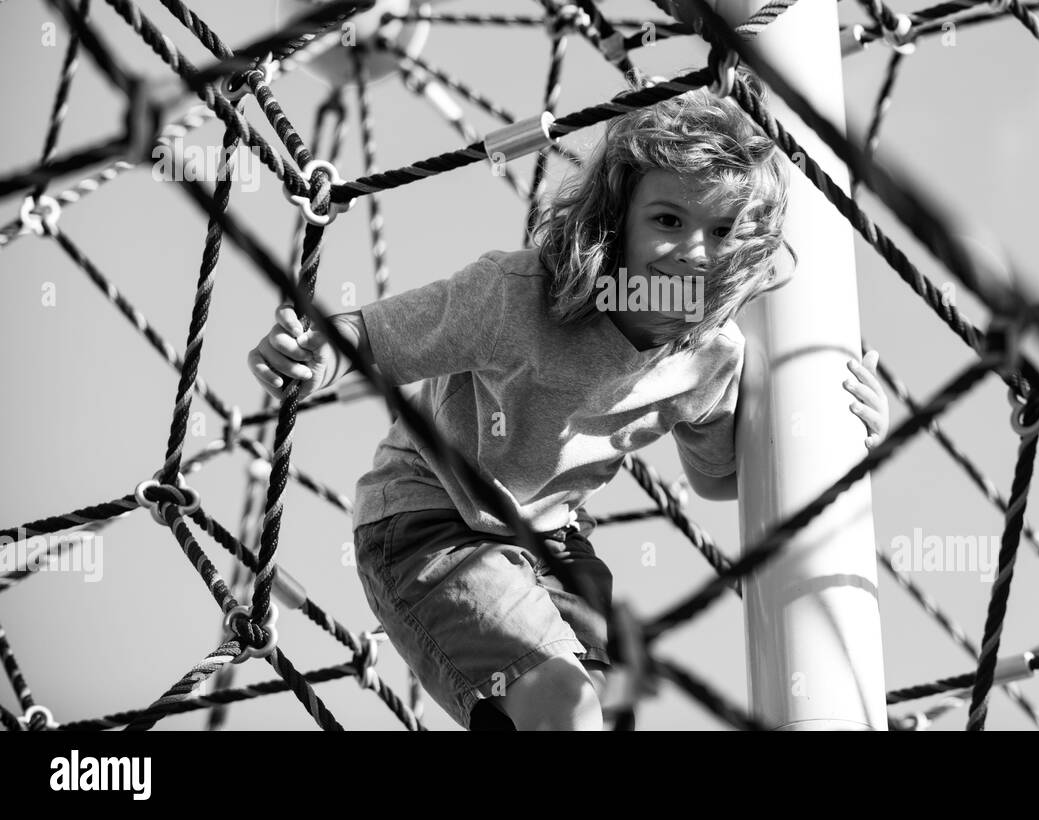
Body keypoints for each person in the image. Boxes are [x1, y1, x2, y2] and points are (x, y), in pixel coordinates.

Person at [247, 67, 890, 730]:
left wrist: (841, 435)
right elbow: (376, 337)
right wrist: (309, 354)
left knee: (607, 713)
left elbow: (720, 479)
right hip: (429, 516)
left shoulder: (709, 358)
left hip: (552, 539)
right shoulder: (518, 296)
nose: (693, 253)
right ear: (619, 219)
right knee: (567, 705)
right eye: (668, 219)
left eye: (722, 231)